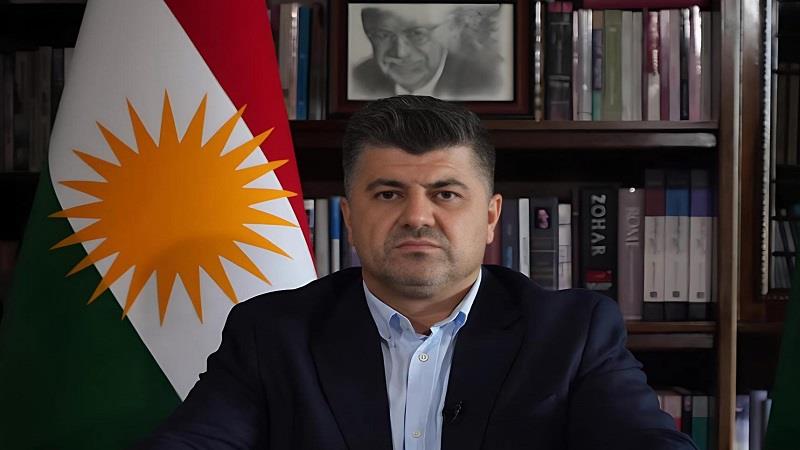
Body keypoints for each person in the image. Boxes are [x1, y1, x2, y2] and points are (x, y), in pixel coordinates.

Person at [138, 96, 697, 450]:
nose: (417, 217)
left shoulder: (573, 332)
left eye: (445, 194)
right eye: (388, 193)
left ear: (491, 217)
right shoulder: (271, 333)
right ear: (349, 218)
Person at [351, 6, 503, 100]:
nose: (400, 53)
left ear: (445, 32)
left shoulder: (486, 82)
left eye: (417, 34)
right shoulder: (359, 78)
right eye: (383, 35)